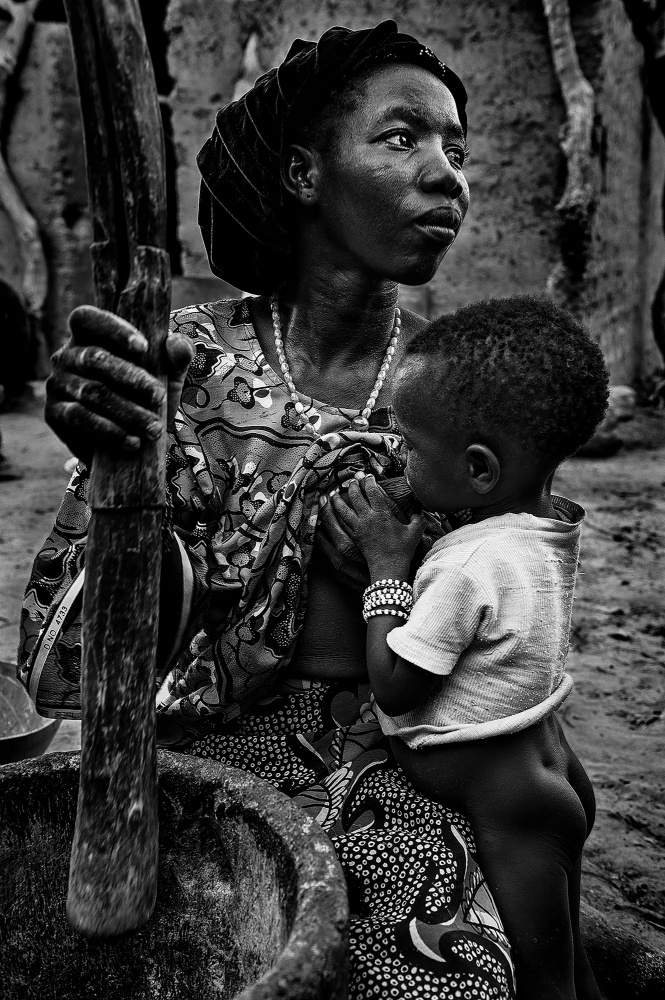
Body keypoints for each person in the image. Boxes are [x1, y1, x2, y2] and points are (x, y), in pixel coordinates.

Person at [21, 20, 522, 998]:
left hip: (397, 769)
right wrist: (114, 453)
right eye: (402, 138)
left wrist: (395, 579)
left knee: (452, 980)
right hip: (198, 759)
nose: (446, 176)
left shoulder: (461, 388)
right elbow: (77, 650)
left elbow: (502, 650)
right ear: (302, 173)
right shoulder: (187, 357)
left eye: (456, 152)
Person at [332, 296, 608, 999]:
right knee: (573, 965)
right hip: (546, 770)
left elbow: (397, 686)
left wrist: (386, 569)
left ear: (480, 471)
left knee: (548, 988)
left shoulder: (465, 566)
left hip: (507, 799)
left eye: (410, 445)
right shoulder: (545, 530)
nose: (399, 457)